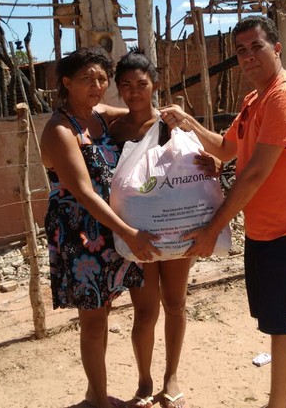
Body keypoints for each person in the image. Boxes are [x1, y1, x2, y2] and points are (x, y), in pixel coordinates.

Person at [160, 15, 286, 408]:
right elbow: (225, 149)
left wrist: (212, 229)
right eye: (241, 50)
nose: (249, 56)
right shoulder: (255, 100)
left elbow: (251, 176)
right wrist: (188, 123)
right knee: (280, 324)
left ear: (276, 49)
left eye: (257, 46)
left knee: (281, 323)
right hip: (263, 227)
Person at [41, 46, 161, 408]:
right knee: (94, 320)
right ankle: (98, 400)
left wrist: (180, 126)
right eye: (86, 79)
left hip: (117, 228)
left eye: (102, 78)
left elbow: (143, 114)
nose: (96, 85)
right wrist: (130, 233)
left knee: (132, 309)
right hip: (83, 235)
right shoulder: (61, 130)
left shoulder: (101, 117)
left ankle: (112, 391)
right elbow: (85, 194)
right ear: (66, 83)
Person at [109, 49, 196, 408]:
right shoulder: (115, 132)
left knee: (175, 304)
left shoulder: (173, 124)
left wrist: (206, 159)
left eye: (141, 84)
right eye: (126, 86)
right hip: (137, 234)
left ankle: (171, 376)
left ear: (155, 85)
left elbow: (203, 159)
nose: (134, 92)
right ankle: (144, 381)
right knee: (145, 312)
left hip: (175, 229)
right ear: (118, 89)